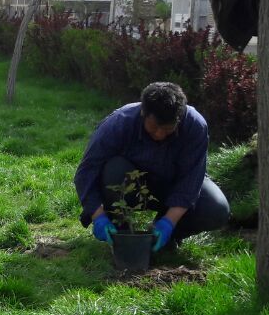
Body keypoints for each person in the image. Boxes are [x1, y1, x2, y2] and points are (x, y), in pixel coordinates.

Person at [74, 81, 230, 252]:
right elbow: (86, 171)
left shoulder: (195, 126)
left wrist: (169, 222)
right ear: (143, 113)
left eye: (167, 129)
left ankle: (164, 234)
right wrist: (98, 217)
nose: (160, 134)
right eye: (154, 127)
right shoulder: (120, 123)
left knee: (217, 209)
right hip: (132, 184)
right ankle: (120, 232)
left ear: (178, 118)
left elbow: (191, 180)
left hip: (172, 185)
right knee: (114, 169)